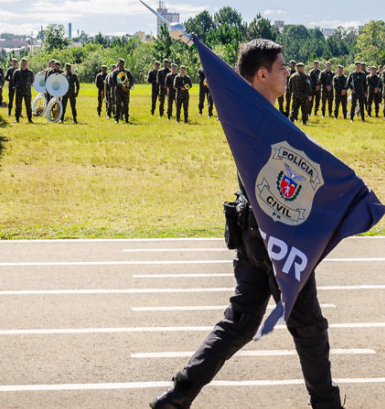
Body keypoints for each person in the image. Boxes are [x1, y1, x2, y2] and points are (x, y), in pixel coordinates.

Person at [150, 39, 343, 409]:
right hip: (276, 241)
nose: (288, 72)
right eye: (282, 67)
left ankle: (178, 396)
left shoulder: (256, 116)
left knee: (240, 321)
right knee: (309, 329)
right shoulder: (258, 123)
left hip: (255, 241)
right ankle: (327, 405)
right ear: (262, 74)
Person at [112, 59, 134, 123]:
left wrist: (128, 88)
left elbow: (132, 80)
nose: (121, 64)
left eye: (122, 63)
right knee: (118, 105)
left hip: (126, 91)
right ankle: (117, 119)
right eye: (120, 63)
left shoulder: (127, 72)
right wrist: (121, 87)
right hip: (118, 91)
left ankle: (126, 119)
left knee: (126, 105)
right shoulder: (115, 72)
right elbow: (113, 82)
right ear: (118, 63)